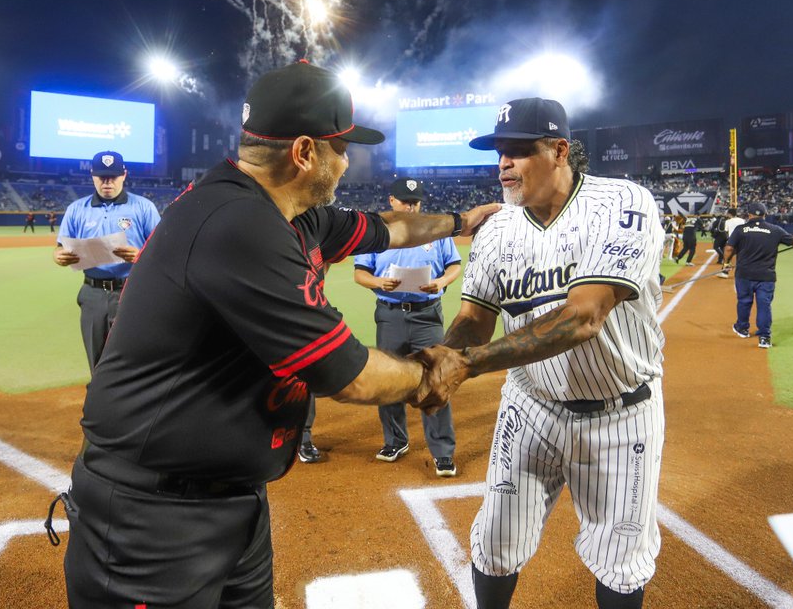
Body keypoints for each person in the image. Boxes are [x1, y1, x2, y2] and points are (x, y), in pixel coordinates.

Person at [58, 62, 499, 609]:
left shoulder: (290, 212)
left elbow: (391, 227)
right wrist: (435, 372)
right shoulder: (238, 223)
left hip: (230, 499)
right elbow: (349, 375)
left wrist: (461, 222)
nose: (348, 163)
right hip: (151, 520)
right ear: (305, 152)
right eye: (342, 149)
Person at [417, 97, 666, 609]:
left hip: (622, 414)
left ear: (559, 150)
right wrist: (437, 359)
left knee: (621, 559)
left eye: (518, 150)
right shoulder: (497, 228)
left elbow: (584, 316)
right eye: (498, 152)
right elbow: (474, 319)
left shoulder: (622, 203)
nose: (503, 163)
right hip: (530, 406)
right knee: (495, 540)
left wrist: (467, 365)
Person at [353, 177, 462, 477]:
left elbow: (454, 265)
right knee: (389, 381)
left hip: (427, 315)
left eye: (415, 202)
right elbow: (360, 273)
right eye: (405, 201)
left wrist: (441, 281)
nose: (411, 207)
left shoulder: (436, 229)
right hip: (390, 315)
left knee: (435, 381)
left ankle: (442, 452)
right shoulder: (377, 231)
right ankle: (395, 441)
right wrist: (379, 282)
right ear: (392, 201)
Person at [52, 151, 161, 370]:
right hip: (93, 293)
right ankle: (99, 393)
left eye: (113, 176)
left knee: (132, 358)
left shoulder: (143, 207)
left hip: (131, 291)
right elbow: (60, 247)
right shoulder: (76, 209)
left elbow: (164, 251)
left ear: (124, 175)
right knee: (97, 360)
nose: (107, 182)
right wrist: (58, 255)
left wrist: (142, 255)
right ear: (92, 175)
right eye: (102, 176)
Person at [722, 202, 793, 349]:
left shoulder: (741, 229)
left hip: (744, 274)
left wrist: (726, 263)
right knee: (764, 305)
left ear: (749, 215)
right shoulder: (776, 230)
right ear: (765, 214)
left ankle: (742, 328)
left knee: (744, 301)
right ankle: (765, 337)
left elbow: (728, 248)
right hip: (766, 275)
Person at [717, 207, 746, 277]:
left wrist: (727, 239)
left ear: (730, 214)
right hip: (743, 241)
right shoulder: (742, 220)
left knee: (727, 257)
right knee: (742, 258)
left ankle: (725, 272)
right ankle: (743, 274)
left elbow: (726, 231)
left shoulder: (728, 221)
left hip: (732, 240)